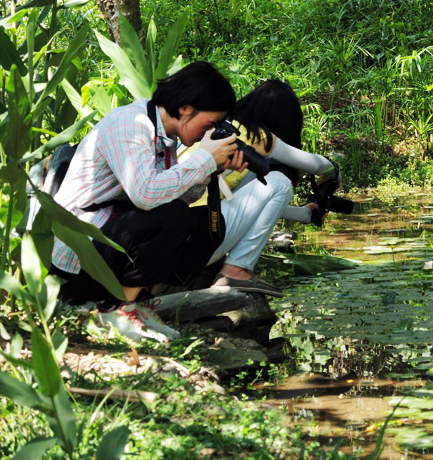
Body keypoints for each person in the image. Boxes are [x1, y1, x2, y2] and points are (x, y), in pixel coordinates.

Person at [51, 61, 246, 340]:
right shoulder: (131, 125)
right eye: (212, 123)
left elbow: (174, 195)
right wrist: (204, 159)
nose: (211, 133)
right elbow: (145, 195)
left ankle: (138, 303)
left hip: (105, 245)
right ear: (186, 109)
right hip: (76, 259)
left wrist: (212, 169)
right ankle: (117, 311)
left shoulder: (162, 135)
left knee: (204, 225)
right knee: (173, 216)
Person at [186, 78, 341, 294]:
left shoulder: (219, 130)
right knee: (279, 182)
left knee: (268, 182)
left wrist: (304, 215)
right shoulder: (253, 134)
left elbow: (239, 201)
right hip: (197, 244)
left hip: (178, 241)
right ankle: (235, 271)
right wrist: (334, 172)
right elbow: (315, 165)